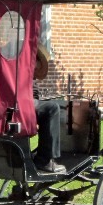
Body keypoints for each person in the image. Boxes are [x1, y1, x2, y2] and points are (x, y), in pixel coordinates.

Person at [33, 44, 65, 174]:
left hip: (19, 102)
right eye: (38, 61)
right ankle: (45, 160)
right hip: (22, 105)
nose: (37, 65)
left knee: (57, 103)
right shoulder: (24, 67)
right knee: (53, 108)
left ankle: (43, 151)